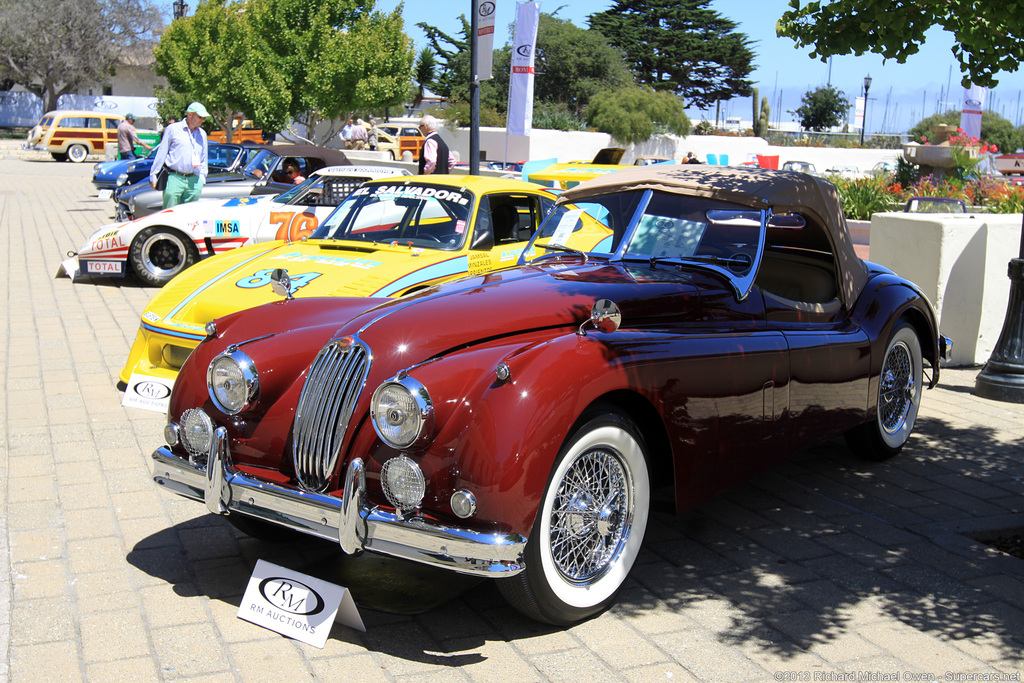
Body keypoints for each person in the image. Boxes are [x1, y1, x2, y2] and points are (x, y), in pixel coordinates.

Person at [150, 102, 210, 209]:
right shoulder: (173, 129)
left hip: (194, 179)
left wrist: (202, 178)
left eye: (204, 118)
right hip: (175, 177)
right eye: (200, 117)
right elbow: (161, 153)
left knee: (190, 217)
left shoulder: (202, 133)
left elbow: (204, 157)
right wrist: (153, 175)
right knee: (170, 213)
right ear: (190, 115)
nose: (202, 120)